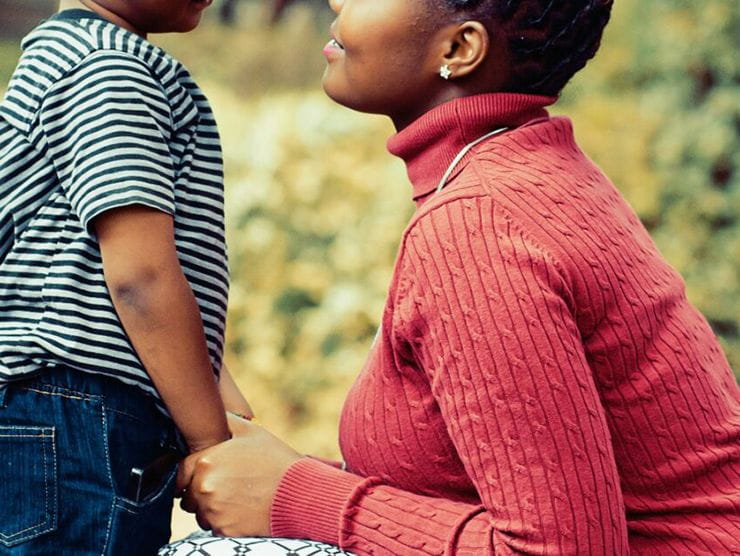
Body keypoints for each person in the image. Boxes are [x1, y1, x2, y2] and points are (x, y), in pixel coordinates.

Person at [168, 0, 740, 554]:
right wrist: (287, 477)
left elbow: (562, 549)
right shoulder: (531, 173)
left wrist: (296, 494)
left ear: (461, 48)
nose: (337, 1)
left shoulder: (480, 225)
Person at [0, 0, 252, 553]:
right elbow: (139, 276)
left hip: (65, 411)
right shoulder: (107, 67)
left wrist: (217, 391)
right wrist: (211, 441)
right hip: (77, 414)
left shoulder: (72, 58)